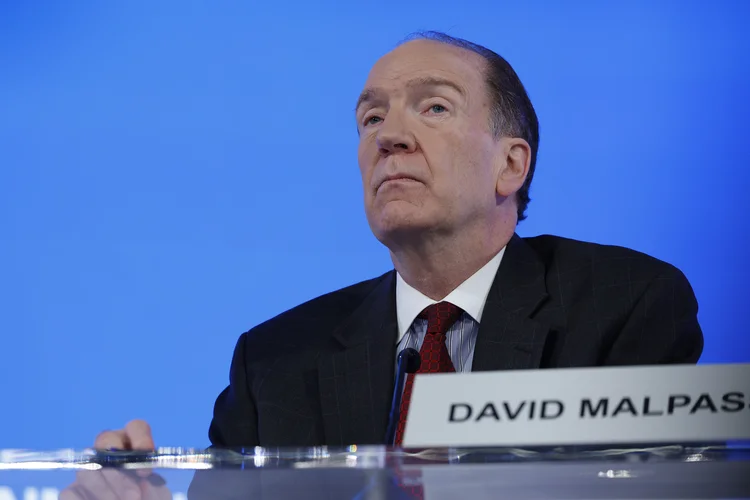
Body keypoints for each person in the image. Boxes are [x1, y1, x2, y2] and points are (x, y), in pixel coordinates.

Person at [61, 31, 703, 498]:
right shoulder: (275, 361)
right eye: (371, 118)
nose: (387, 136)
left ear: (511, 164)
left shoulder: (625, 302)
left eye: (434, 107)